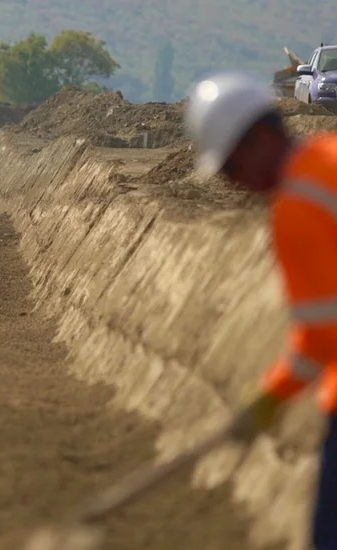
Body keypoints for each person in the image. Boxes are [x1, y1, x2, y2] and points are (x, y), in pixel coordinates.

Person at [185, 71, 337, 550]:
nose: (236, 184)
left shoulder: (297, 206)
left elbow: (321, 337)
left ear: (261, 138)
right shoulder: (329, 155)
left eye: (231, 168)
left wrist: (268, 399)